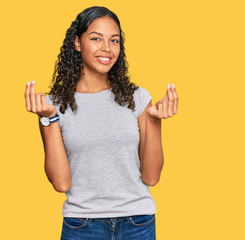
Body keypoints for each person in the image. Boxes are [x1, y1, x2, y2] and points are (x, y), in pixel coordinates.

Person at [24, 6, 178, 240]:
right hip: (82, 226)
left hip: (138, 222)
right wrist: (48, 118)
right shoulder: (52, 104)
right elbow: (61, 183)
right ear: (77, 43)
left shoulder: (137, 98)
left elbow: (152, 177)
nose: (107, 48)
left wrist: (154, 121)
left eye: (114, 40)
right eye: (96, 38)